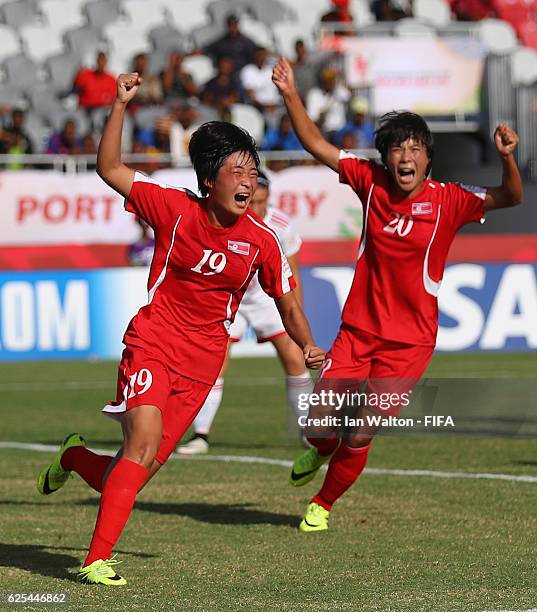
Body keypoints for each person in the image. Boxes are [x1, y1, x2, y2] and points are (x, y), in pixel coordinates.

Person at [36, 71, 325, 584]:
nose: (249, 181)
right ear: (210, 180)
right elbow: (108, 167)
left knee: (131, 471)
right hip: (152, 341)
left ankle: (74, 455)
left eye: (253, 172)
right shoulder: (171, 207)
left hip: (201, 362)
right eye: (237, 172)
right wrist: (120, 104)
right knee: (141, 447)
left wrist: (307, 344)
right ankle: (95, 560)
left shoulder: (263, 240)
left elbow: (288, 301)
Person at [272, 56, 522, 532]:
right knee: (317, 426)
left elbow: (511, 197)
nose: (405, 157)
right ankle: (320, 449)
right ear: (386, 156)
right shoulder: (370, 182)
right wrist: (289, 93)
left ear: (428, 156)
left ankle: (322, 504)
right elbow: (316, 144)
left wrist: (508, 157)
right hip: (358, 333)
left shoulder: (450, 200)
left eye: (414, 148)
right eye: (397, 149)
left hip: (409, 344)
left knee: (362, 427)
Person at [177, 171, 313, 455]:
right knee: (216, 363)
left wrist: (299, 314)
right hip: (231, 298)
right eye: (253, 202)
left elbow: (293, 274)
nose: (258, 209)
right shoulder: (227, 220)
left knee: (294, 358)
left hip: (267, 299)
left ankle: (308, 431)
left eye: (263, 202)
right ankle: (200, 434)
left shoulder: (281, 226)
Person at [306, 67, 351, 140]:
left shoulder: (339, 92)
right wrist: (321, 118)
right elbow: (313, 118)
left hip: (340, 131)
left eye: (332, 80)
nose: (330, 82)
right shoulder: (314, 94)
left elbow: (349, 95)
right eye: (327, 80)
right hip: (324, 131)